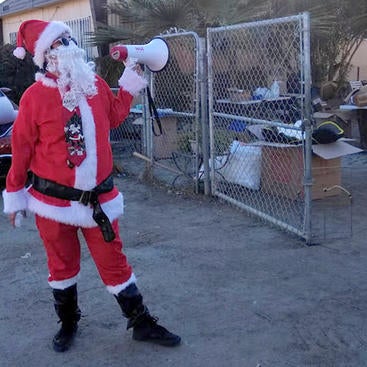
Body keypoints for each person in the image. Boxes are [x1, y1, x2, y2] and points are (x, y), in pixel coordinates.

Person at [2, 19, 181, 352]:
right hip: (52, 203)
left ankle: (140, 322)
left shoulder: (95, 84)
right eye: (57, 43)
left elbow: (113, 117)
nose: (67, 45)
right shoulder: (33, 98)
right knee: (61, 265)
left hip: (98, 202)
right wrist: (14, 195)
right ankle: (68, 323)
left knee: (114, 262)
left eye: (68, 38)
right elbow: (22, 149)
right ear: (45, 56)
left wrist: (128, 84)